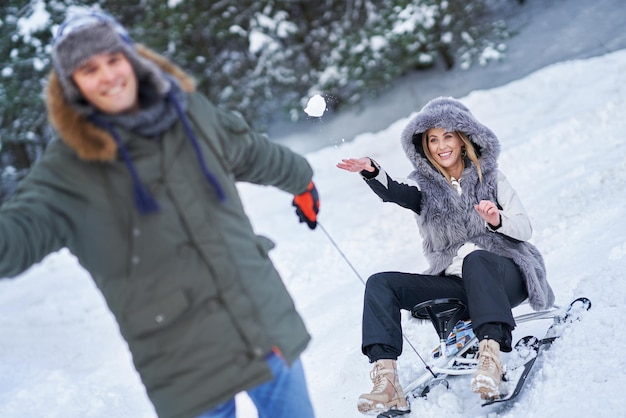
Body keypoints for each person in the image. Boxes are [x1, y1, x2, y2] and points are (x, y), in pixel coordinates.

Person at [0, 11, 320, 418]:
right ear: (71, 85)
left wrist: (302, 181)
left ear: (132, 58)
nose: (108, 75)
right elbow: (15, 236)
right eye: (88, 68)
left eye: (114, 60)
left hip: (261, 322)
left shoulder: (191, 114)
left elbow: (252, 151)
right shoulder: (68, 171)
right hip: (184, 366)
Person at [337, 97, 554, 415]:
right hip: (460, 284)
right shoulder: (424, 189)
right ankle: (387, 381)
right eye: (433, 140)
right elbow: (396, 192)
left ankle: (491, 357)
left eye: (447, 136)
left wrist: (496, 220)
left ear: (463, 138)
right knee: (380, 283)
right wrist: (372, 172)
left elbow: (525, 228)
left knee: (476, 259)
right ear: (424, 146)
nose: (441, 146)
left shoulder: (492, 179)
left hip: (507, 274)